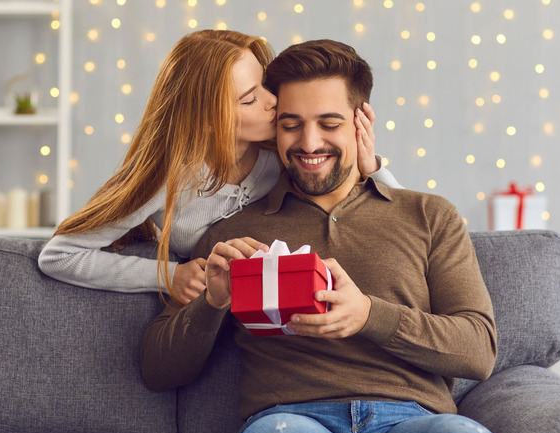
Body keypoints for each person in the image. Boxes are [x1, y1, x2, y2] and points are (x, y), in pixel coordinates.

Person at [141, 39, 498, 433]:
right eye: (291, 125)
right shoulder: (233, 233)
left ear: (361, 123)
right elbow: (158, 370)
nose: (309, 144)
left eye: (329, 124)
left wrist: (367, 314)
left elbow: (479, 351)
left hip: (413, 419)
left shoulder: (428, 216)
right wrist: (212, 301)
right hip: (291, 422)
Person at [37, 30, 400, 305]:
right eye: (249, 98)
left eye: (264, 85)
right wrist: (167, 276)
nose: (273, 101)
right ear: (208, 120)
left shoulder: (284, 154)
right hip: (210, 310)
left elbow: (406, 226)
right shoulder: (169, 177)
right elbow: (59, 256)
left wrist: (371, 166)